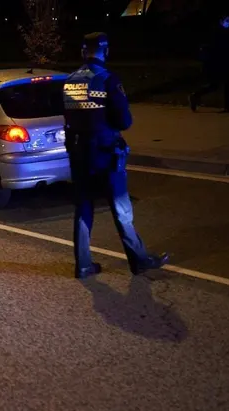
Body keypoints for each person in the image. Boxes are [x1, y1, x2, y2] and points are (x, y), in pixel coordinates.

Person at [62, 32, 169, 279]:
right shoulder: (108, 79)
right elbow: (124, 121)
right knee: (121, 207)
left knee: (83, 208)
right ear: (106, 51)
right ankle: (139, 260)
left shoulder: (70, 81)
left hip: (79, 154)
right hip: (105, 153)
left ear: (83, 52)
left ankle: (83, 265)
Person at [189, 15, 229, 112]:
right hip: (215, 62)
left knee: (226, 83)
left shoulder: (227, 32)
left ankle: (228, 105)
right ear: (221, 21)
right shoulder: (216, 32)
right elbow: (214, 48)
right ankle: (195, 95)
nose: (228, 23)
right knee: (215, 85)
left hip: (224, 61)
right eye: (226, 20)